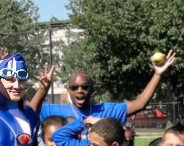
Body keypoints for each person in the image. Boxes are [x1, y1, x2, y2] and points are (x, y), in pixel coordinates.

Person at [36, 53, 176, 123]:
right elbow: (29, 110)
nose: (80, 91)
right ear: (69, 91)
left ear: (92, 90)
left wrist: (158, 73)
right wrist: (42, 89)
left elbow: (139, 104)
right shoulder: (54, 111)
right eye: (75, 87)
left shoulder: (105, 110)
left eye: (85, 87)